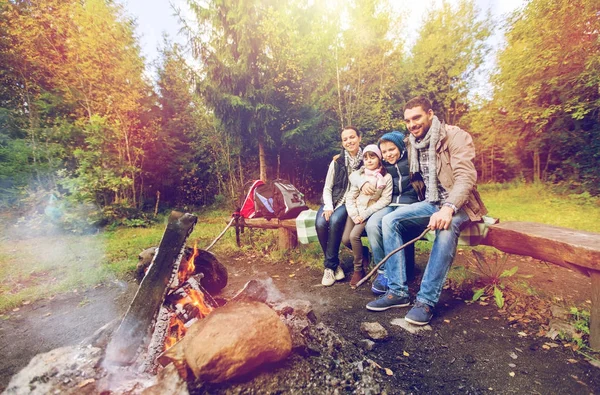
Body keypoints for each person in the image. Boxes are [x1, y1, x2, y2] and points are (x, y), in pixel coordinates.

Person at [366, 96, 487, 326]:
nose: (412, 124)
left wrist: (448, 208)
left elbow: (466, 177)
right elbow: (400, 164)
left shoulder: (455, 136)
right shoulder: (412, 142)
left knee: (446, 226)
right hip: (431, 201)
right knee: (390, 220)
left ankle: (425, 301)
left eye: (417, 117)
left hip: (459, 204)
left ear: (430, 114)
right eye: (408, 120)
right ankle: (397, 291)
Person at [350, 131, 420, 295]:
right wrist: (361, 182)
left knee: (393, 224)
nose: (389, 154)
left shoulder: (412, 160)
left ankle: (402, 271)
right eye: (385, 151)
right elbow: (355, 174)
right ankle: (383, 271)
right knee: (373, 225)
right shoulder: (383, 166)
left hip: (409, 204)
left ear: (400, 147)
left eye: (392, 149)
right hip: (389, 204)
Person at [316, 126, 363, 286]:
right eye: (345, 139)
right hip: (332, 200)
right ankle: (335, 265)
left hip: (349, 202)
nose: (349, 141)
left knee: (335, 220)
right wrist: (328, 206)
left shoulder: (368, 158)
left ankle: (329, 268)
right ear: (342, 143)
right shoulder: (337, 162)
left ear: (359, 138)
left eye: (352, 137)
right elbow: (327, 188)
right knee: (321, 223)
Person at [342, 144, 393, 288]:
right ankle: (364, 253)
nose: (369, 161)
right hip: (355, 211)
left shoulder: (385, 177)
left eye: (373, 157)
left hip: (369, 213)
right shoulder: (360, 176)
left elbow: (385, 200)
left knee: (354, 236)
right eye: (366, 158)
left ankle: (359, 270)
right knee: (346, 239)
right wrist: (354, 214)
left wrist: (365, 214)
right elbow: (350, 197)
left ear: (379, 158)